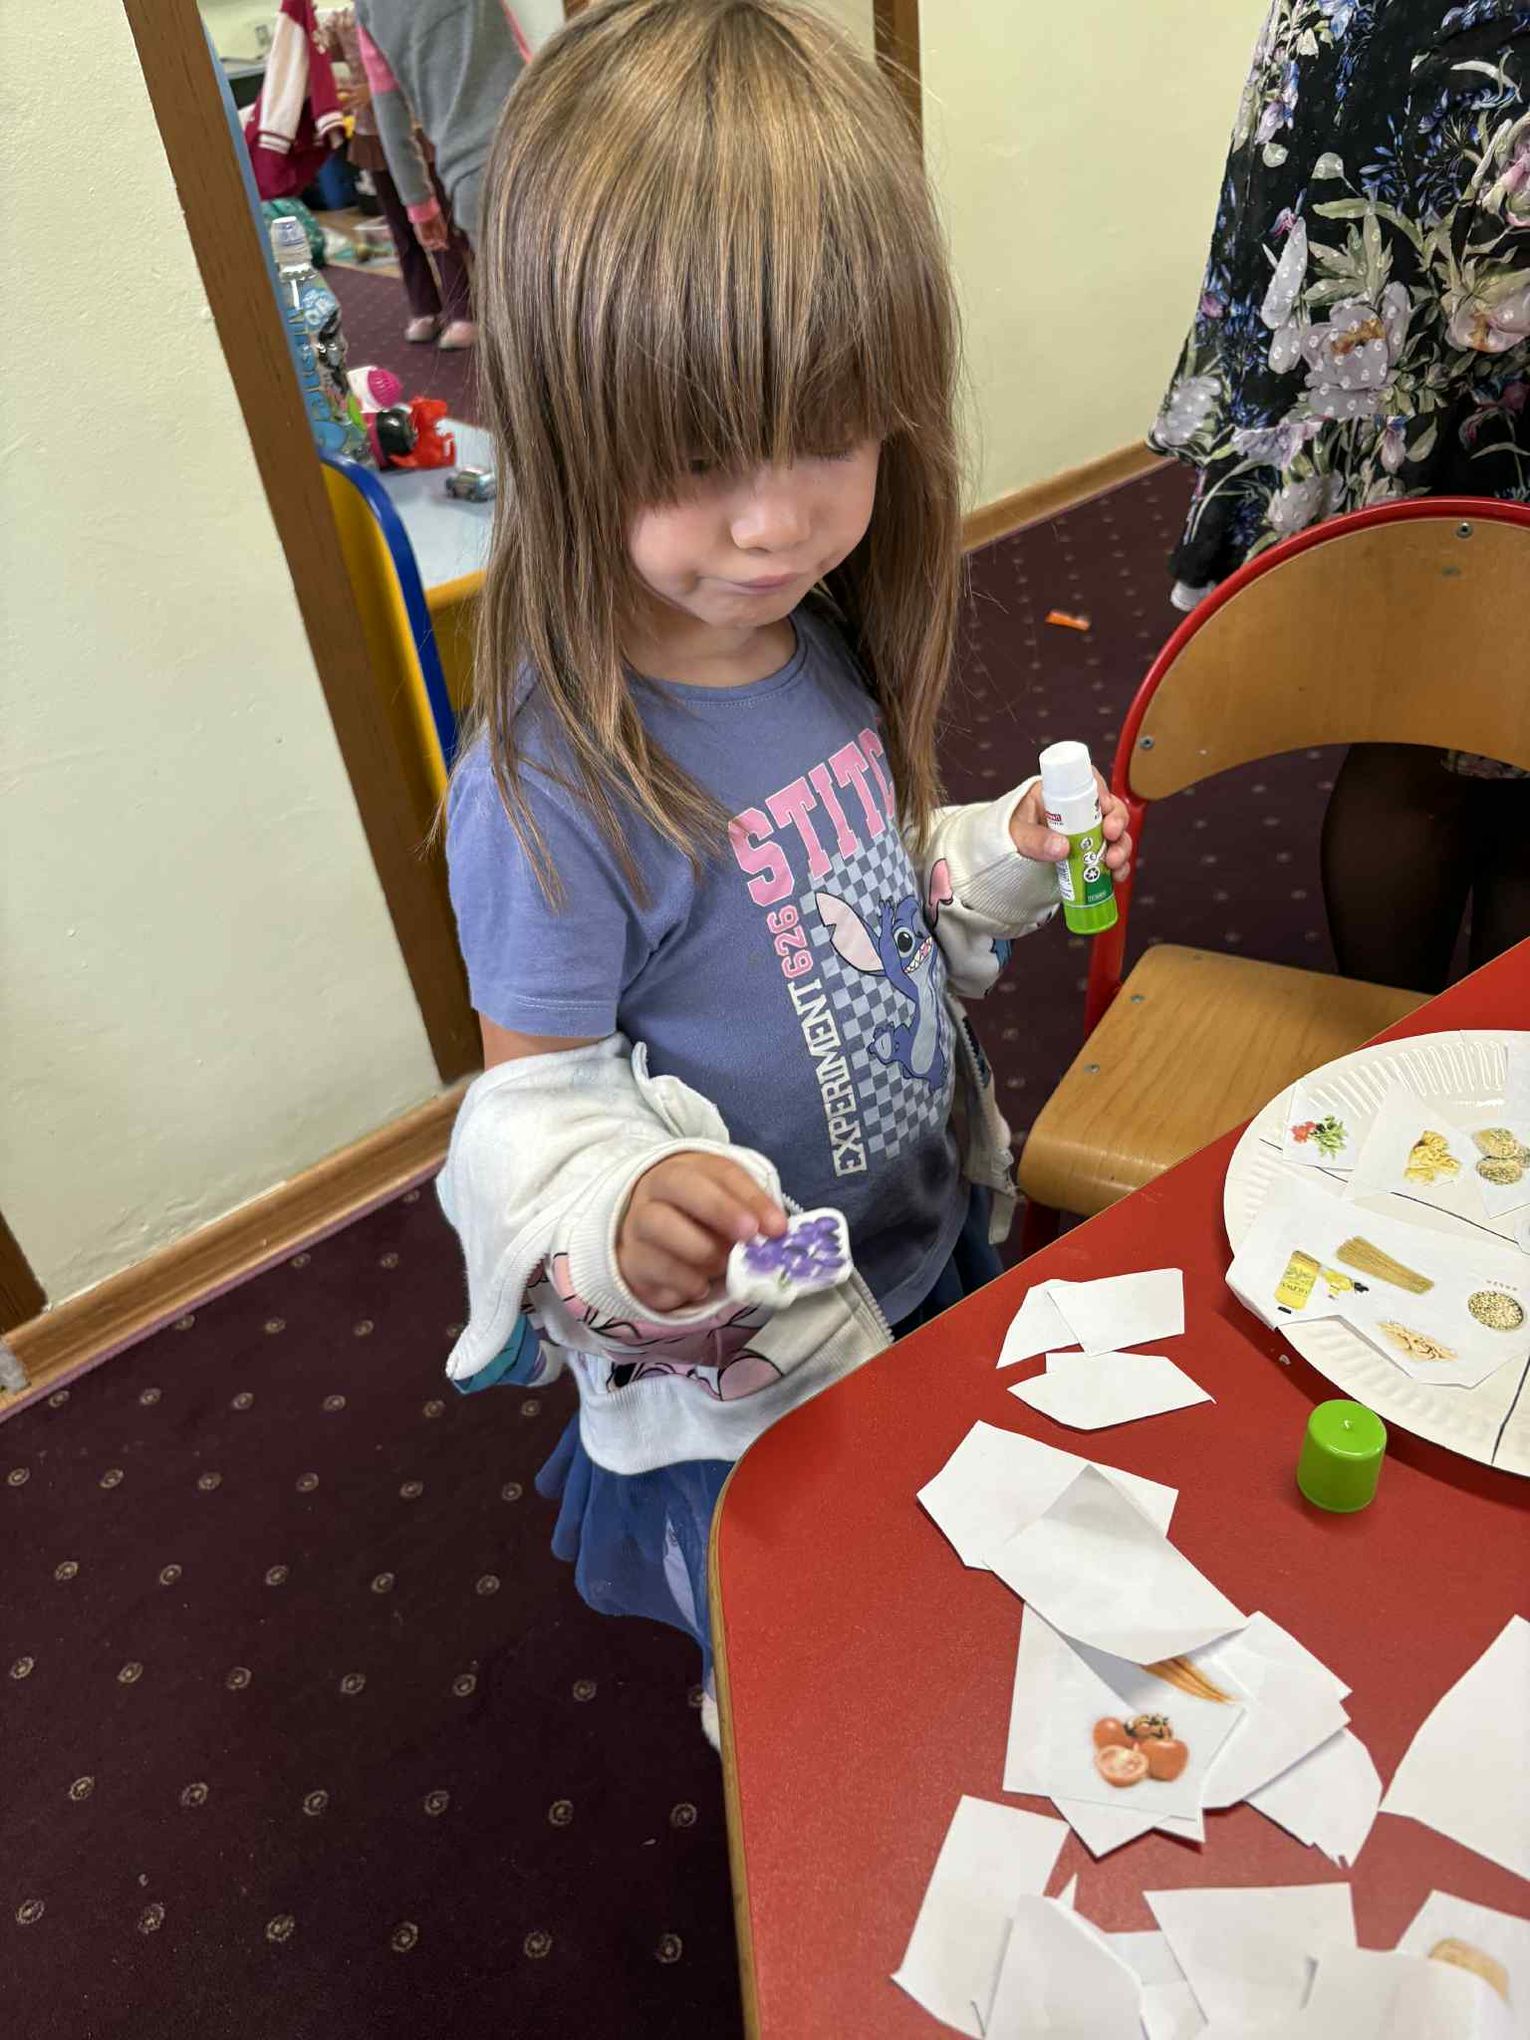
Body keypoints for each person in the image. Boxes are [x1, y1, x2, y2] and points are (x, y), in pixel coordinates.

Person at [436, 0, 1133, 1743]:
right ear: (567, 426)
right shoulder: (550, 785)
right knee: (809, 1666)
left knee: (947, 1562)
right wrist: (618, 1213)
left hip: (917, 1242)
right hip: (751, 1363)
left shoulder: (813, 642)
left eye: (827, 433)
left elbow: (869, 892)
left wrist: (1002, 853)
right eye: (694, 457)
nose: (772, 523)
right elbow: (530, 1122)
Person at [1151, 1, 1530, 994]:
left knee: (1459, 736)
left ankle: (1466, 1058)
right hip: (1442, 124)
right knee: (1431, 723)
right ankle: (1405, 1054)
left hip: (1417, 114)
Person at [323, 7, 475, 349]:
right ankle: (425, 308)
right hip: (373, 133)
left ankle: (463, 310)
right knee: (400, 228)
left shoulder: (403, 12)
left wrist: (374, 92)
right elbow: (323, 61)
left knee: (441, 225)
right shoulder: (342, 20)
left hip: (415, 128)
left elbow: (424, 66)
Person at [352, 0, 529, 252]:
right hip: (535, 140)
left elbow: (391, 117)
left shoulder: (369, 8)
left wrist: (419, 204)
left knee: (513, 277)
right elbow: (520, 48)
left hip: (472, 179)